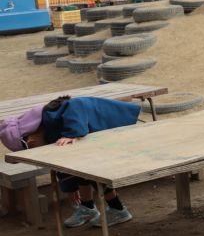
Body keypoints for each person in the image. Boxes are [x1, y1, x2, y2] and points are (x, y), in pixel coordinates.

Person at [0, 96, 141, 228]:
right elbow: (61, 162)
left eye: (28, 145)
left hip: (111, 124)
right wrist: (70, 187)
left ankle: (118, 210)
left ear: (30, 136)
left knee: (94, 171)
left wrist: (74, 132)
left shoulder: (52, 115)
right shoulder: (49, 134)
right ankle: (88, 207)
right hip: (94, 136)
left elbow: (77, 104)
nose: (31, 147)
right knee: (81, 166)